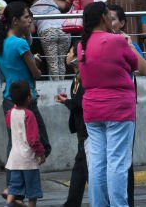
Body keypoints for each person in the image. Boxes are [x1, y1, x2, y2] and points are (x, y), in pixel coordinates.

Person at [79, 2, 146, 207]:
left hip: (92, 109)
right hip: (118, 108)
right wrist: (128, 44)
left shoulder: (82, 44)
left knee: (98, 163)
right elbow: (144, 69)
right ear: (103, 18)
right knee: (117, 162)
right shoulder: (117, 41)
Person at [0, 1, 51, 201]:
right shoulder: (20, 44)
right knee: (42, 143)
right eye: (27, 17)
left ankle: (13, 190)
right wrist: (36, 62)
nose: (30, 20)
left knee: (15, 145)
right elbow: (36, 74)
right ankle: (17, 188)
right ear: (15, 20)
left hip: (9, 100)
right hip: (27, 100)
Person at [108, 4, 146, 207]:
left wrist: (130, 45)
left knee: (123, 160)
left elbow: (144, 69)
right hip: (101, 108)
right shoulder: (98, 41)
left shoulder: (126, 42)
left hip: (124, 108)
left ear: (122, 23)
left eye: (113, 19)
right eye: (106, 18)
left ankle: (126, 201)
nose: (109, 23)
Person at [4, 80, 46, 207]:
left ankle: (8, 204)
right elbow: (33, 139)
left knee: (14, 187)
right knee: (32, 192)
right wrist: (41, 153)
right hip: (28, 160)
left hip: (14, 159)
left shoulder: (10, 113)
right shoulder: (29, 115)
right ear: (29, 97)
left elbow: (9, 125)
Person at [55, 41, 86, 207]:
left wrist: (67, 101)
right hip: (82, 129)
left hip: (87, 130)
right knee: (80, 170)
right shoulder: (76, 78)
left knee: (81, 170)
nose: (67, 55)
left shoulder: (85, 77)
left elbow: (81, 103)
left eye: (70, 52)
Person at [26, 0, 71, 80]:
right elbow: (65, 5)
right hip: (63, 29)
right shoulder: (49, 0)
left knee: (53, 62)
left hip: (48, 31)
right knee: (61, 61)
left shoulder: (30, 10)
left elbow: (32, 29)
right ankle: (62, 85)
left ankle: (57, 88)